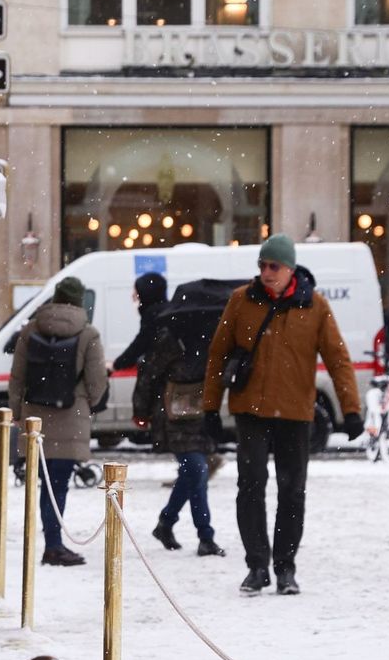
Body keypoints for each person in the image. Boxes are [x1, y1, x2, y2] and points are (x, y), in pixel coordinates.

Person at [202, 234, 362, 596]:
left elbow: (338, 359)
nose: (266, 272)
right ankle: (257, 566)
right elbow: (217, 355)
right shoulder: (242, 301)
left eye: (273, 266)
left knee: (292, 491)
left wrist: (350, 409)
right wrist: (210, 408)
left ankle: (285, 568)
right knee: (252, 484)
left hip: (294, 411)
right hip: (251, 409)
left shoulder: (315, 306)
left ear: (290, 268)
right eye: (261, 265)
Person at [8, 276, 108, 567]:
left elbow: (17, 377)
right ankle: (53, 546)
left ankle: (51, 541)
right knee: (59, 484)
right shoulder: (88, 334)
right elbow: (97, 382)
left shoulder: (30, 330)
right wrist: (88, 403)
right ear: (78, 301)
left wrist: (17, 411)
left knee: (45, 485)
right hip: (71, 415)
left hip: (36, 419)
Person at [133, 305, 224, 557]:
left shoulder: (216, 339)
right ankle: (205, 536)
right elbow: (148, 375)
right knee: (198, 469)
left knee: (191, 473)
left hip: (201, 414)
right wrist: (141, 411)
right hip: (173, 415)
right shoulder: (171, 339)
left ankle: (166, 523)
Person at [112, 272, 169, 372]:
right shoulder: (166, 311)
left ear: (146, 293)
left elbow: (140, 344)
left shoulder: (153, 315)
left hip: (162, 375)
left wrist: (117, 364)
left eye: (137, 292)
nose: (133, 296)